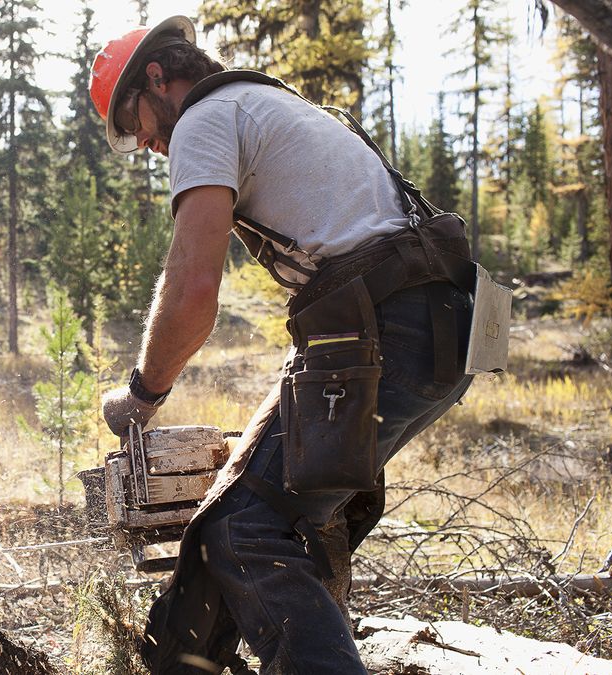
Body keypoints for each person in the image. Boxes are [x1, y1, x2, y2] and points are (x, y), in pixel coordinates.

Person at [91, 16, 477, 674]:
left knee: (244, 528)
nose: (148, 142)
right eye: (133, 141)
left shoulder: (204, 119)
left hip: (386, 325)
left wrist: (142, 391)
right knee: (272, 519)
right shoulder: (264, 102)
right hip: (439, 324)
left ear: (158, 77)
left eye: (136, 122)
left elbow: (191, 289)